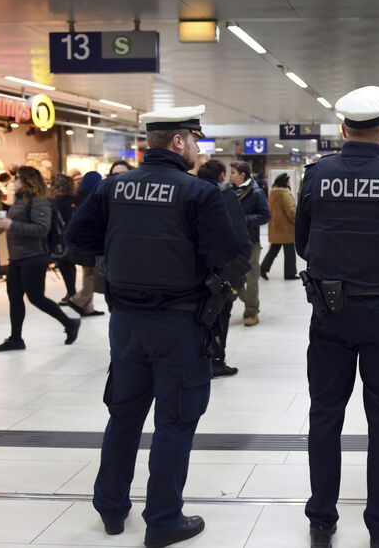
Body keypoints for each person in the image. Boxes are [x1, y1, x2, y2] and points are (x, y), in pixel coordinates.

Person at [65, 105, 241, 548]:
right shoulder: (199, 193)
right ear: (179, 142)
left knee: (123, 416)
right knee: (175, 422)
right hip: (180, 324)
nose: (198, 148)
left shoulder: (111, 189)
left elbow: (77, 241)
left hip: (125, 324)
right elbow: (228, 253)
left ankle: (110, 509)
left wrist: (120, 260)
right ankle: (163, 522)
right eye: (195, 139)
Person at [296, 86, 379, 548]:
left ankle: (321, 520)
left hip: (329, 315)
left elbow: (302, 244)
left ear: (342, 129)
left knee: (325, 415)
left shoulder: (316, 175)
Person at [0, 166, 81, 352]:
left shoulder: (39, 201)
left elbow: (41, 229)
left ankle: (69, 323)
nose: (13, 182)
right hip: (17, 257)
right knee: (15, 297)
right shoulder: (19, 200)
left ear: (27, 181)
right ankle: (16, 338)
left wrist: (11, 224)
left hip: (34, 257)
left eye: (16, 178)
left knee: (36, 297)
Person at [196, 159, 253, 377]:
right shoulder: (226, 195)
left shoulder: (192, 192)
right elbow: (238, 234)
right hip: (224, 267)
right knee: (220, 314)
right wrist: (242, 263)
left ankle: (200, 357)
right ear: (221, 176)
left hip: (197, 268)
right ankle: (216, 361)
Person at [229, 161, 270, 326]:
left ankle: (252, 310)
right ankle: (249, 302)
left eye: (232, 172)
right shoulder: (228, 191)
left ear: (242, 175)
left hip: (251, 241)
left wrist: (245, 220)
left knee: (252, 277)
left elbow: (265, 215)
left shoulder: (256, 193)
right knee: (233, 278)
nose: (229, 175)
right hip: (232, 242)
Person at [65, 172, 104, 318]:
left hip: (79, 243)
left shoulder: (78, 196)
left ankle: (88, 307)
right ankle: (77, 300)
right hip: (89, 243)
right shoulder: (92, 197)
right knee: (92, 275)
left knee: (88, 274)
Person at [261, 173, 297, 280]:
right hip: (286, 227)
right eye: (288, 181)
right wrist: (297, 222)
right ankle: (289, 273)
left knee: (274, 249)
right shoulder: (284, 193)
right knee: (290, 251)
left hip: (275, 226)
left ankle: (263, 268)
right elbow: (291, 211)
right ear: (284, 182)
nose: (289, 183)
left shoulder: (273, 192)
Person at [50, 173, 78, 303]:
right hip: (73, 236)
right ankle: (72, 292)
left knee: (64, 265)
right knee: (71, 265)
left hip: (61, 237)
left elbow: (56, 222)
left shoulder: (56, 202)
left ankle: (71, 292)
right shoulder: (74, 199)